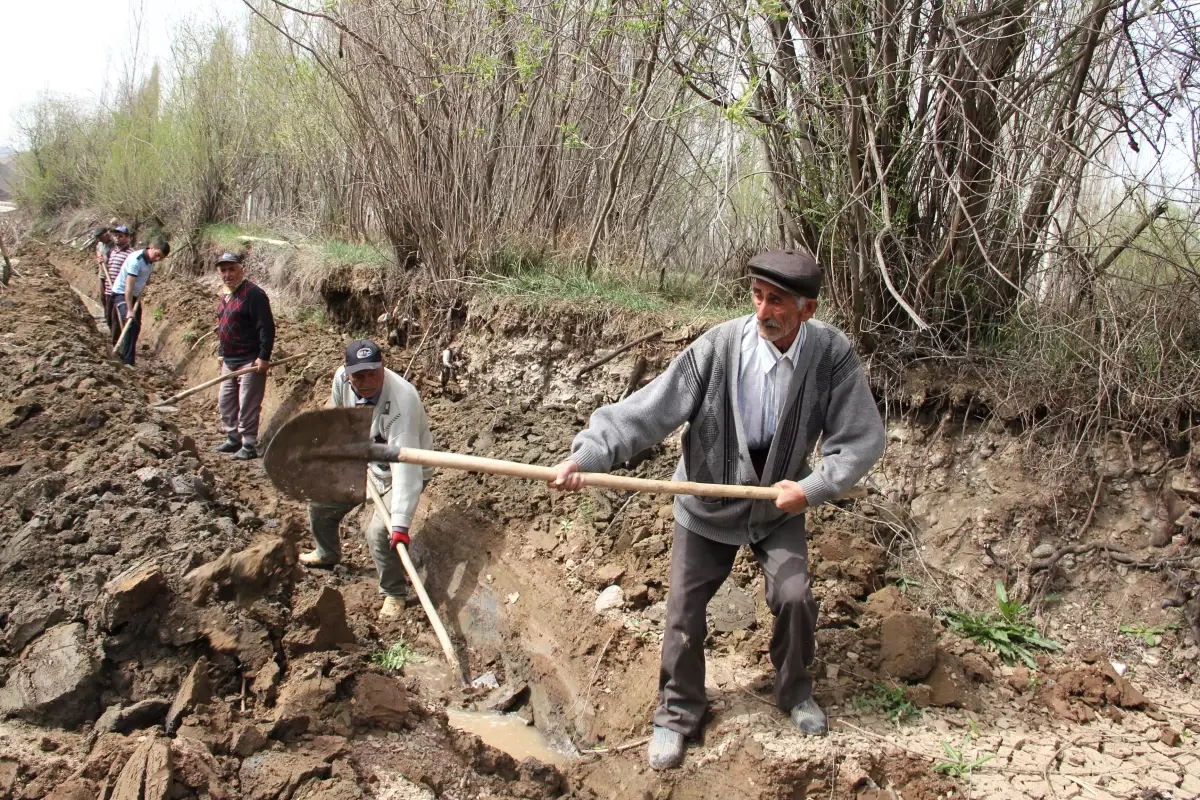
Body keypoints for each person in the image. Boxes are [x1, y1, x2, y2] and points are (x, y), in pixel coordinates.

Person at [547, 248, 885, 770]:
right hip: (704, 504)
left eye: (776, 301)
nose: (762, 310)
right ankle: (677, 713)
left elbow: (859, 439)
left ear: (807, 310)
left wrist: (815, 487)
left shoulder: (832, 356)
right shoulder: (720, 347)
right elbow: (650, 410)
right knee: (683, 613)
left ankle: (795, 692)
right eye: (756, 295)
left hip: (777, 507)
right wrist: (586, 456)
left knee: (794, 596)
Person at [301, 340, 435, 620]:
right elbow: (337, 415)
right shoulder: (340, 380)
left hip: (398, 473)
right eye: (358, 376)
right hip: (365, 459)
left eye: (373, 373)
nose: (367, 381)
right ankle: (327, 553)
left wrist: (399, 523)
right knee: (320, 504)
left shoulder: (402, 401)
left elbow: (406, 468)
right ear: (347, 373)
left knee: (380, 533)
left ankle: (394, 592)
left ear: (383, 367)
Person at [212, 252, 275, 460]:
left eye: (231, 269)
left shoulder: (254, 294)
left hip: (250, 359)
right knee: (225, 401)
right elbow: (222, 326)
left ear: (241, 269)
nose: (227, 274)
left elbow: (266, 327)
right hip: (230, 360)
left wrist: (263, 356)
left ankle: (249, 444)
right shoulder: (226, 295)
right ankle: (233, 438)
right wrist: (222, 351)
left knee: (248, 402)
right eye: (223, 270)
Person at [110, 238, 170, 366]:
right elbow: (128, 286)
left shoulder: (150, 260)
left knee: (135, 327)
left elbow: (145, 273)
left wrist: (146, 279)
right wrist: (130, 310)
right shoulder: (135, 260)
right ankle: (127, 360)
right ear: (151, 247)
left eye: (161, 258)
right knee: (129, 324)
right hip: (122, 293)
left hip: (134, 295)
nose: (158, 259)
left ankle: (124, 355)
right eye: (157, 255)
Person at [104, 226, 134, 342]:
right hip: (109, 289)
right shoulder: (112, 252)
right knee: (109, 318)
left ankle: (118, 343)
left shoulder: (130, 254)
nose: (117, 238)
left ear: (127, 238)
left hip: (119, 292)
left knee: (117, 319)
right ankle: (114, 339)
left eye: (120, 236)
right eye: (116, 236)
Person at [92, 226, 112, 309]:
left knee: (110, 299)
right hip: (103, 275)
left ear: (106, 235)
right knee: (103, 298)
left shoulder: (114, 245)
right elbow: (98, 250)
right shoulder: (100, 244)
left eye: (100, 237)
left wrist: (106, 262)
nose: (98, 239)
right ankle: (106, 316)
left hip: (111, 276)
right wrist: (98, 256)